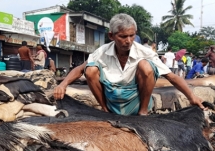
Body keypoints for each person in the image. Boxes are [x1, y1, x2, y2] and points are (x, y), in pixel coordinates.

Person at [53, 13, 205, 115]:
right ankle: (105, 111)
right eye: (123, 36)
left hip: (136, 102)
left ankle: (143, 113)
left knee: (146, 66)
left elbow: (172, 77)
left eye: (132, 35)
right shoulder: (102, 52)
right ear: (111, 36)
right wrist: (63, 84)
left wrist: (192, 97)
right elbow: (80, 69)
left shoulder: (145, 52)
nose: (128, 41)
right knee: (90, 69)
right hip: (112, 102)